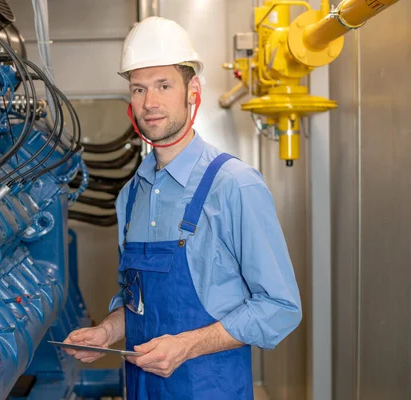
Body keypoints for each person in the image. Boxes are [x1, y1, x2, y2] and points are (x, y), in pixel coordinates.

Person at [62, 16, 302, 399]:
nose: (150, 103)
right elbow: (138, 299)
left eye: (163, 85)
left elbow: (280, 307)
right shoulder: (132, 195)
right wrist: (107, 330)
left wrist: (187, 346)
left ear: (192, 90)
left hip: (210, 388)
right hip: (140, 389)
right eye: (138, 89)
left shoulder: (235, 185)